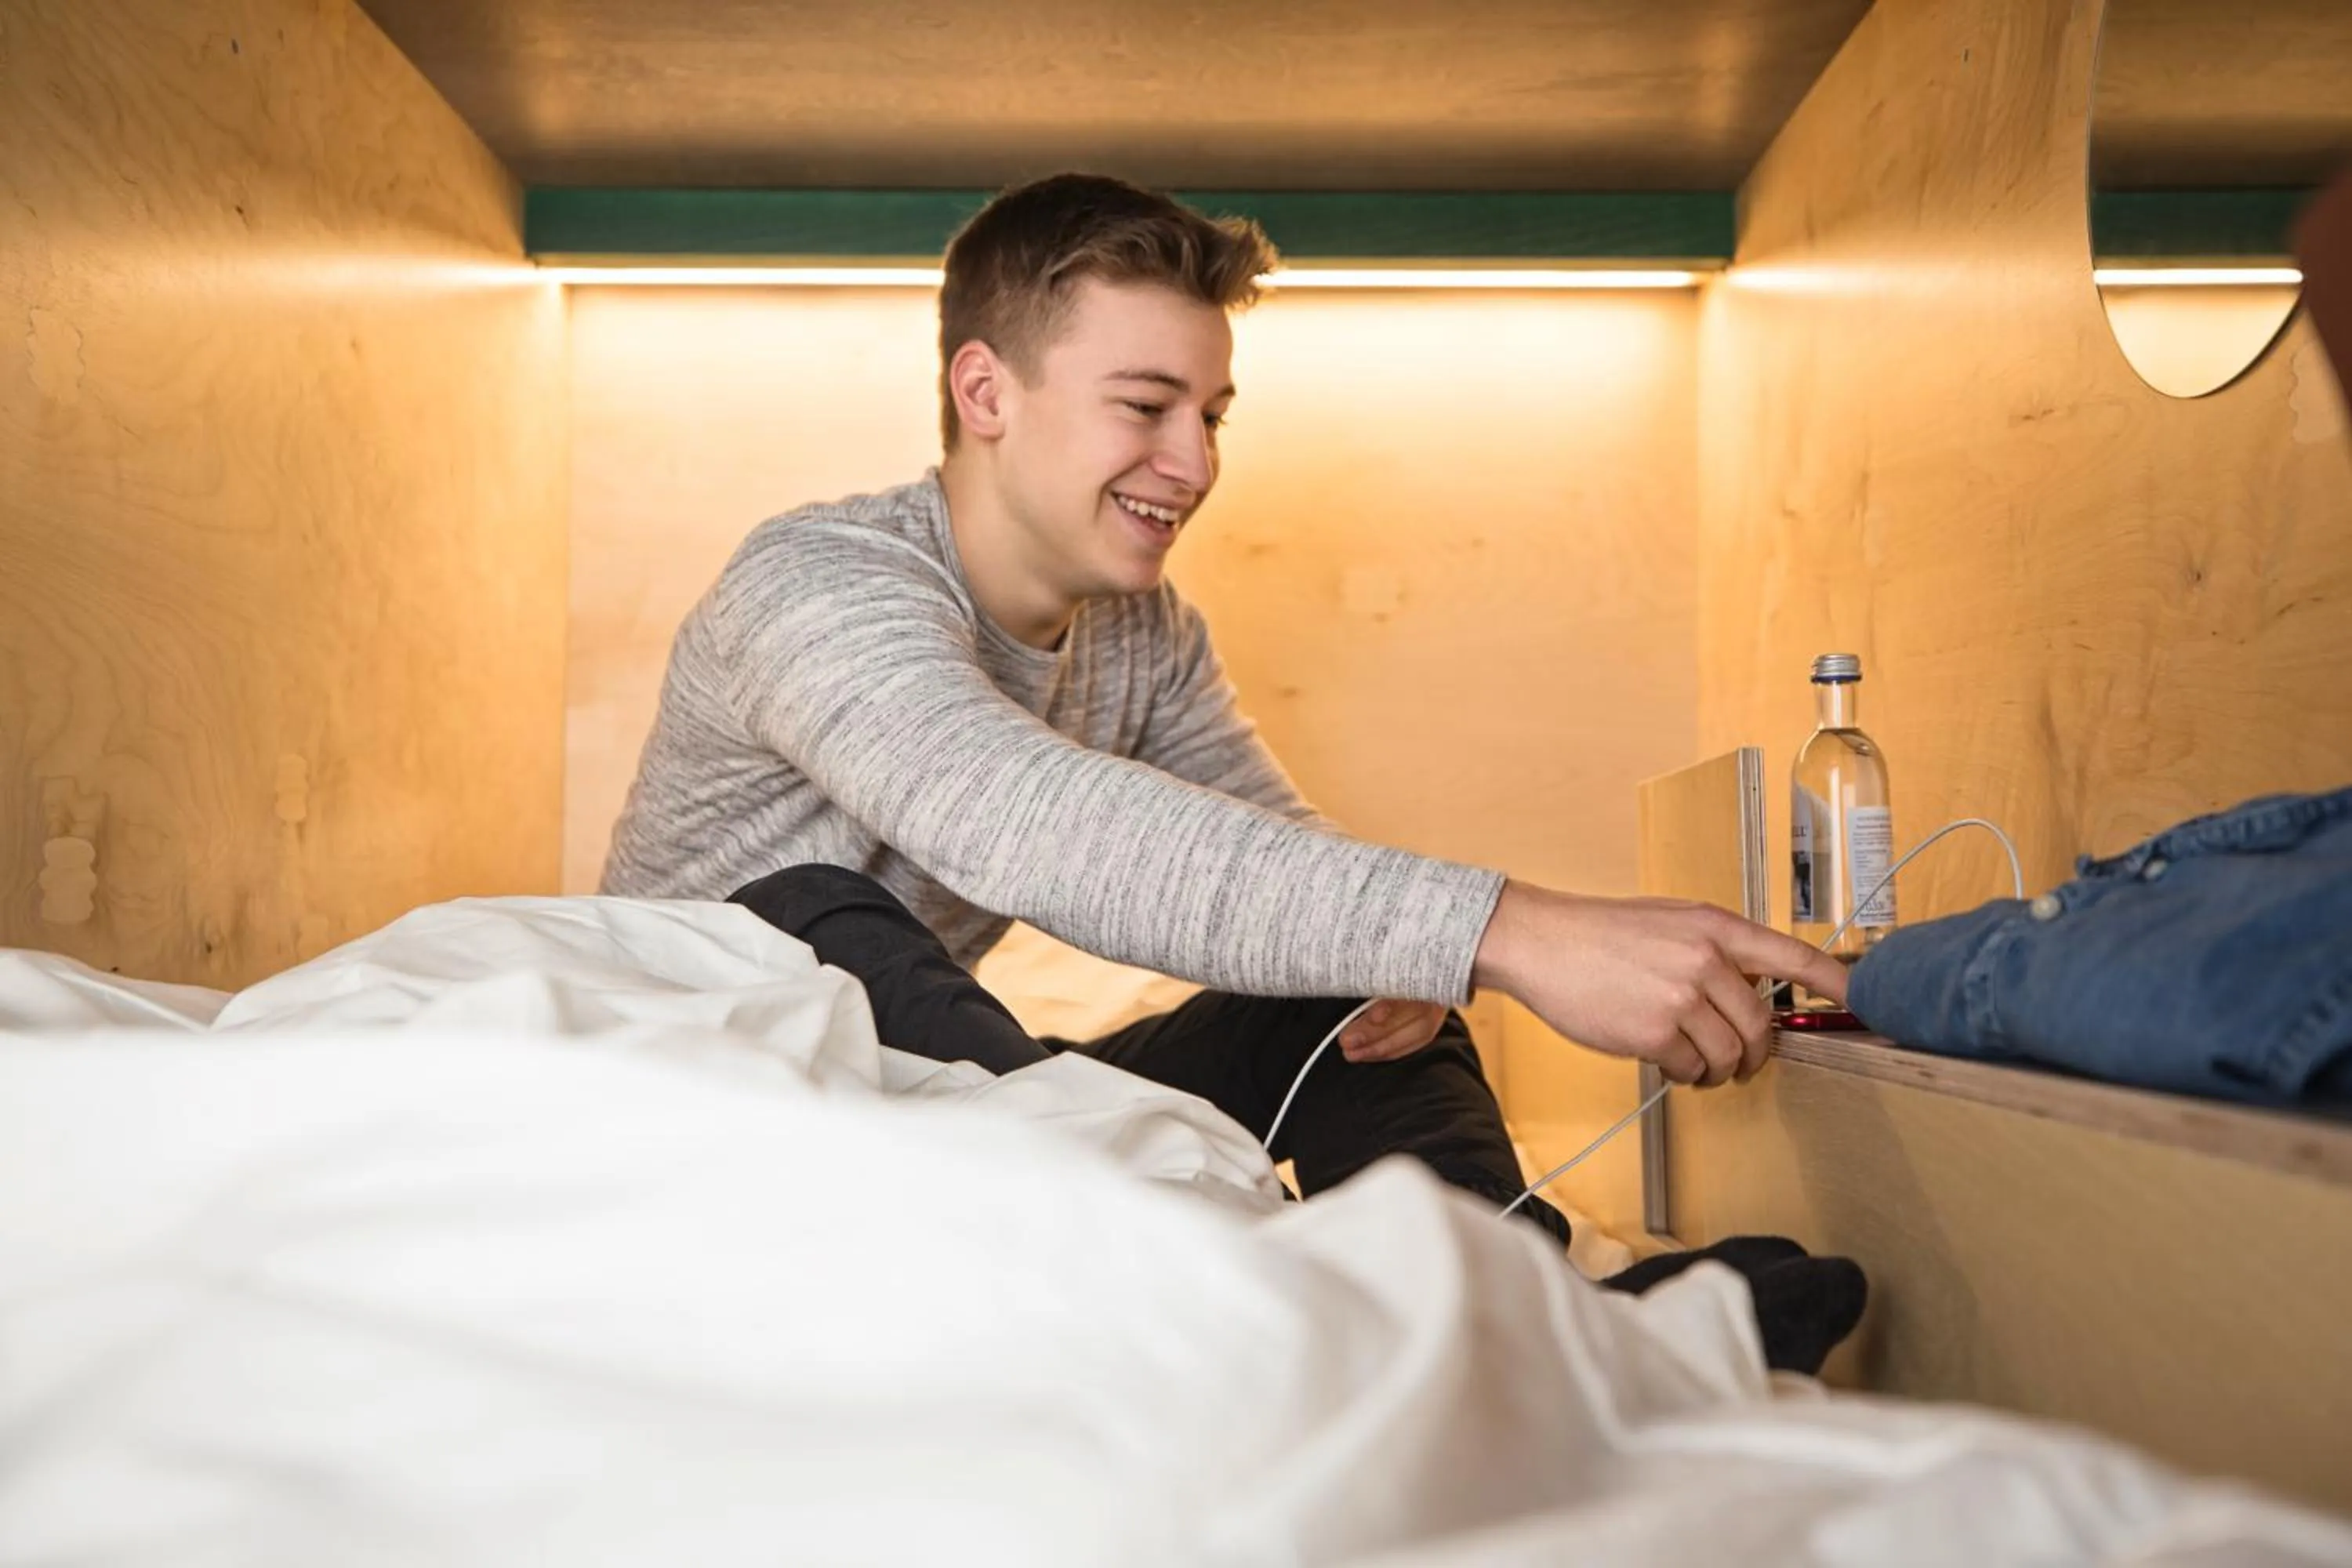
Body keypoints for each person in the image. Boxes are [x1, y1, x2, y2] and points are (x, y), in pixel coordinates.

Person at [601, 172, 1851, 1270]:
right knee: (813, 920)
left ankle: (1501, 1298)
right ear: (985, 392)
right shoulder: (815, 584)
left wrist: (1410, 954)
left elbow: (1285, 860)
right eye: (1146, 408)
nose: (1195, 466)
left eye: (1212, 416)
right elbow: (1018, 822)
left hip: (930, 1110)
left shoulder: (1144, 636)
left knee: (1356, 977)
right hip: (698, 1092)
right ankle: (1180, 1262)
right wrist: (1511, 928)